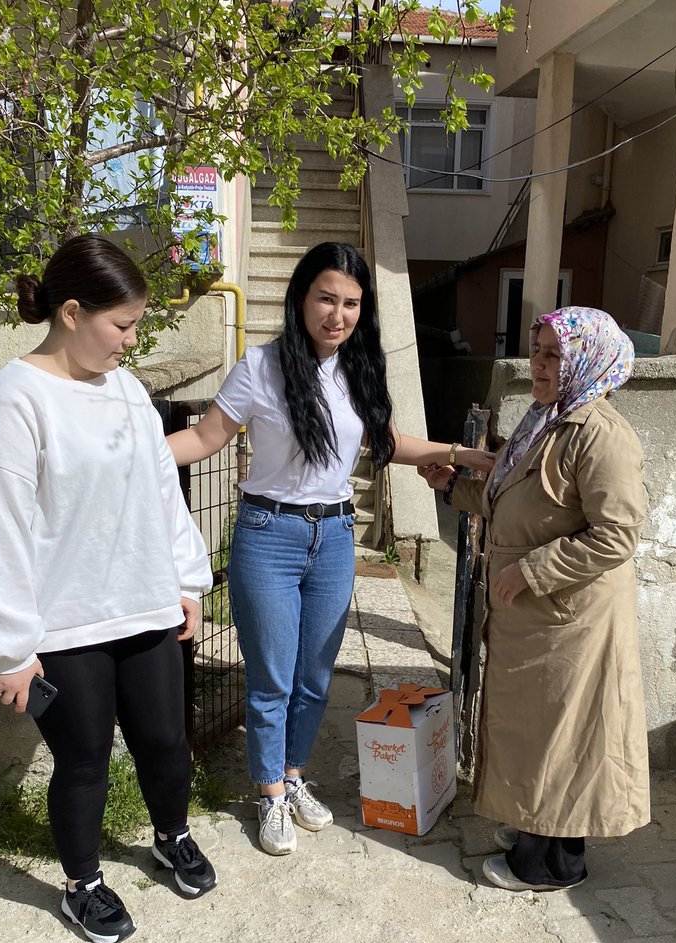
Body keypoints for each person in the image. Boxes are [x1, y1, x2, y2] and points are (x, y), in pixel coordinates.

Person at [168, 241, 494, 856]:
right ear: (301, 298)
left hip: (335, 537)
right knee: (271, 677)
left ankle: (292, 778)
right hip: (268, 536)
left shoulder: (358, 370)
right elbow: (207, 437)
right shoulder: (260, 368)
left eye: (350, 303)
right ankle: (267, 795)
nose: (337, 314)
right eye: (325, 298)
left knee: (314, 676)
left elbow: (386, 442)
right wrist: (131, 454)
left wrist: (458, 453)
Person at [0, 234, 217, 943]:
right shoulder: (9, 404)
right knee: (84, 762)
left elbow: (161, 491)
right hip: (64, 626)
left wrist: (187, 578)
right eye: (122, 325)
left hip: (143, 604)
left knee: (165, 742)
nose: (131, 342)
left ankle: (171, 835)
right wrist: (9, 648)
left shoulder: (127, 392)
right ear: (71, 312)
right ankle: (83, 885)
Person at [419, 306, 649, 892]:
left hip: (568, 618)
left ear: (585, 361)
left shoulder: (600, 435)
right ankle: (536, 833)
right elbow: (515, 498)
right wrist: (453, 486)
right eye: (538, 350)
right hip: (538, 616)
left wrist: (532, 571)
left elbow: (617, 535)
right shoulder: (548, 419)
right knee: (541, 734)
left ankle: (549, 866)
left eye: (554, 354)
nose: (540, 365)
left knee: (559, 737)